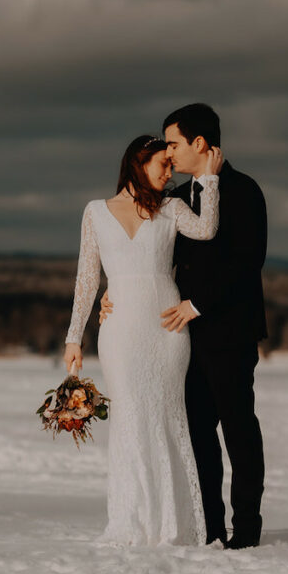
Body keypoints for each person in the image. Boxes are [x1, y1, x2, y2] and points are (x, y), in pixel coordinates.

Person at [101, 103, 268, 549]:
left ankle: (246, 532)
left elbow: (247, 263)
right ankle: (209, 528)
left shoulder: (244, 190)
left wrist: (198, 304)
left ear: (199, 143)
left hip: (229, 334)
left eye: (173, 143)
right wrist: (114, 292)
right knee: (197, 437)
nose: (168, 154)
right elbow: (154, 259)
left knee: (238, 431)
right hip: (181, 340)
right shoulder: (175, 201)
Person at [63, 134, 224, 546]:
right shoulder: (95, 212)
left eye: (172, 165)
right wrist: (74, 336)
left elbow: (206, 230)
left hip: (167, 330)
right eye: (163, 164)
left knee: (167, 419)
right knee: (131, 417)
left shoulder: (171, 208)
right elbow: (87, 280)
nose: (169, 172)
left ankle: (173, 524)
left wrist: (209, 180)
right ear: (139, 162)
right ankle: (132, 521)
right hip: (120, 333)